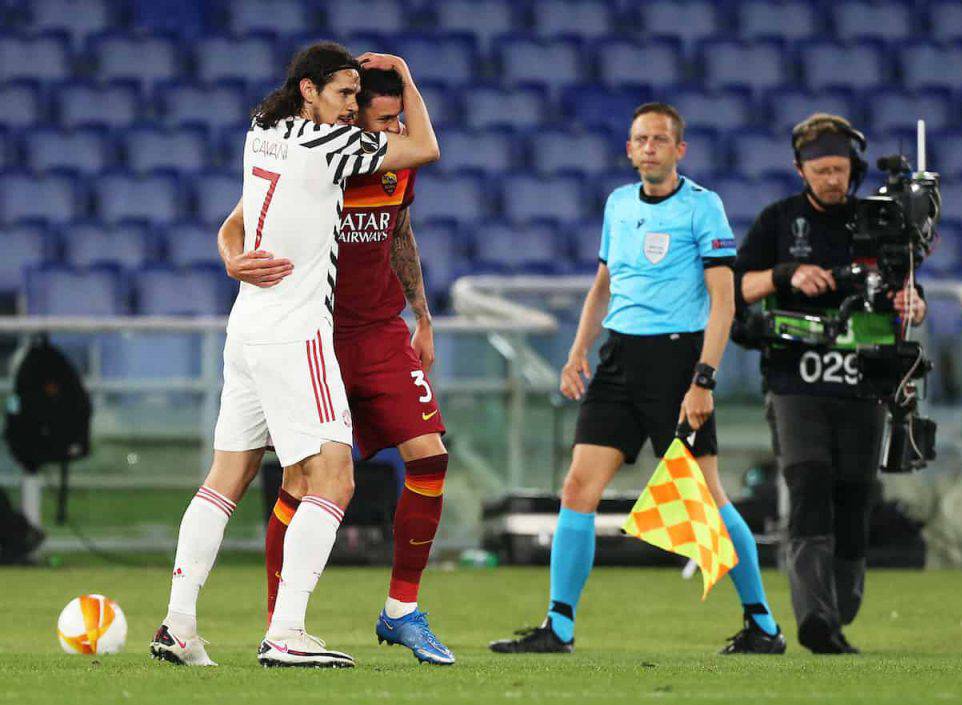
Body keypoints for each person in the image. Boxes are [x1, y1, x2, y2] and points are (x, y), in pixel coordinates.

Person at [149, 42, 439, 668]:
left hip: (248, 325)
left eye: (357, 99)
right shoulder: (330, 146)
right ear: (309, 90)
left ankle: (178, 625)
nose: (351, 108)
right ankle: (287, 634)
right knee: (334, 478)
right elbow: (425, 148)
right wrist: (407, 80)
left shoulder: (264, 128)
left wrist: (231, 258)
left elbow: (236, 221)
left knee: (226, 477)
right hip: (297, 330)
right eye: (343, 95)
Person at [489, 103, 786, 656]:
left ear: (679, 150)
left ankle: (763, 624)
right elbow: (603, 284)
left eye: (659, 140)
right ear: (629, 150)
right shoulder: (618, 204)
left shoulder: (703, 207)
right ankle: (559, 626)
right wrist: (578, 350)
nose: (648, 147)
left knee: (706, 495)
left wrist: (704, 380)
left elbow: (724, 302)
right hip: (618, 361)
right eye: (639, 139)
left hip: (678, 365)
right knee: (578, 487)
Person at [218, 67, 452, 665]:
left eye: (399, 119)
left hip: (379, 332)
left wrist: (422, 315)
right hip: (311, 332)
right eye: (382, 119)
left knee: (430, 455)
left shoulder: (391, 164)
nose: (395, 130)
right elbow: (235, 225)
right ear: (352, 115)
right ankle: (280, 624)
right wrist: (233, 261)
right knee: (300, 480)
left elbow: (400, 233)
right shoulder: (318, 156)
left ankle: (401, 611)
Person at [733, 113, 926, 654]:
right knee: (810, 487)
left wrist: (915, 303)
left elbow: (909, 289)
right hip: (796, 378)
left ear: (853, 168)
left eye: (839, 169)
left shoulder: (879, 222)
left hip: (863, 380)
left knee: (854, 496)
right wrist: (783, 275)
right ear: (800, 170)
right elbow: (731, 286)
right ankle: (817, 620)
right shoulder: (777, 221)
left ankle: (837, 610)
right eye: (820, 170)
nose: (831, 179)